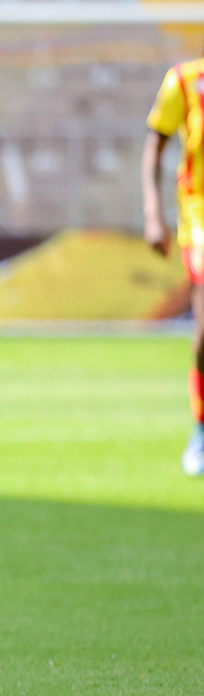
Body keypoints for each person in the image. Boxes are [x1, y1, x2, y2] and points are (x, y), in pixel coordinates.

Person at [142, 46, 204, 475]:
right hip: (199, 218)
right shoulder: (184, 81)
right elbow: (154, 150)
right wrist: (153, 213)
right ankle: (202, 425)